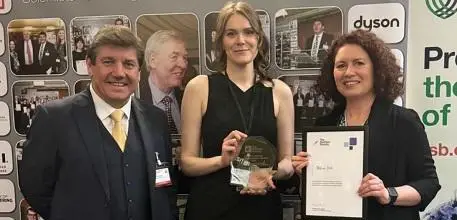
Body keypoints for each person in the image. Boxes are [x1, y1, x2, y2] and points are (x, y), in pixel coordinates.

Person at [19, 26, 177, 220]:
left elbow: (164, 185)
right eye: (108, 62)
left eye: (128, 64)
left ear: (138, 72)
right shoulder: (54, 118)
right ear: (90, 65)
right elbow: (34, 186)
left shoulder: (156, 119)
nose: (119, 73)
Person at [292, 29, 440, 220]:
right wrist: (306, 174)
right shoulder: (323, 125)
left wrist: (389, 194)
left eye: (359, 63)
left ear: (376, 69)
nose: (349, 72)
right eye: (341, 65)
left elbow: (428, 183)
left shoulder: (404, 122)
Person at [180, 1, 294, 220]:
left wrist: (267, 174)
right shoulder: (200, 87)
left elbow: (287, 163)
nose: (241, 41)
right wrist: (223, 161)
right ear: (221, 42)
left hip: (263, 208)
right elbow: (187, 163)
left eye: (248, 32)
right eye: (231, 33)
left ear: (259, 39)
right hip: (210, 207)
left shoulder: (280, 91)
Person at [140, 30, 187, 134]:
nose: (183, 65)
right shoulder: (134, 98)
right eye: (174, 57)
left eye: (185, 58)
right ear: (153, 61)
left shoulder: (187, 100)